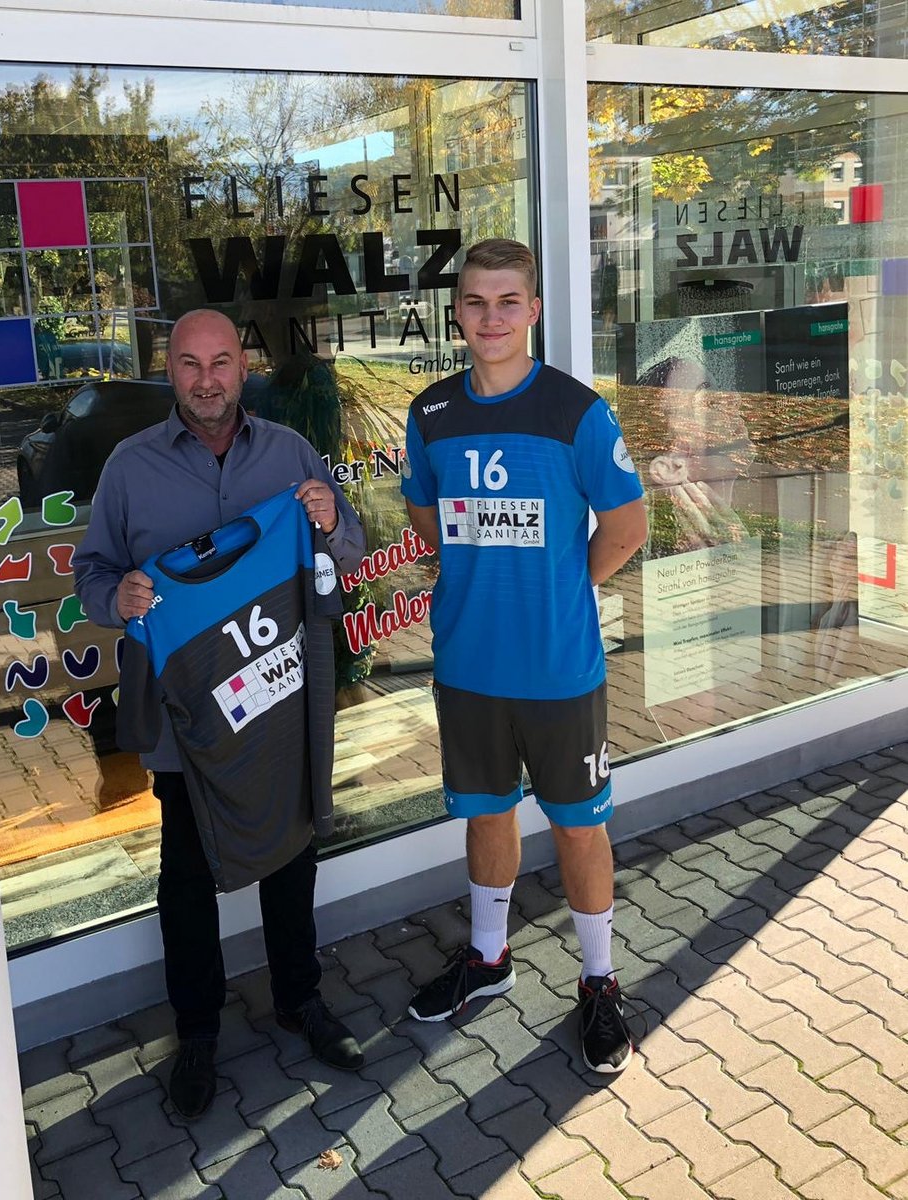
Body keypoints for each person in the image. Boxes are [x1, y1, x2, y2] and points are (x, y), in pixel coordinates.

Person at [74, 309, 367, 1119]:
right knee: (185, 874)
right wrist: (118, 596)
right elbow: (91, 574)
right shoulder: (130, 468)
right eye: (189, 364)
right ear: (169, 370)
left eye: (221, 362)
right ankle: (197, 1031)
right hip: (187, 717)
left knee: (291, 856)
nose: (206, 380)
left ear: (243, 367)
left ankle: (299, 999)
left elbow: (346, 552)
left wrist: (330, 519)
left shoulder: (290, 454)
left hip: (276, 703)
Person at [400, 239, 647, 1073]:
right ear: (457, 313)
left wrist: (558, 587)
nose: (492, 317)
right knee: (486, 812)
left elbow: (626, 528)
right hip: (468, 665)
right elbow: (426, 517)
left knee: (578, 825)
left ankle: (599, 981)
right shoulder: (431, 413)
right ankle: (488, 959)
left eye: (509, 301)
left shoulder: (576, 412)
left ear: (533, 310)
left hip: (555, 668)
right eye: (476, 301)